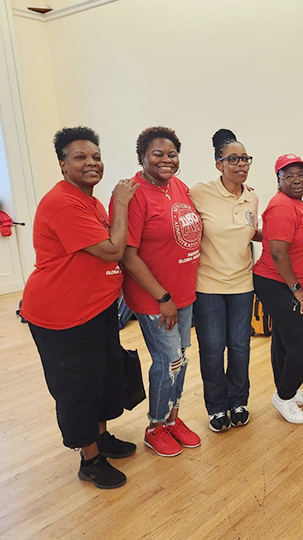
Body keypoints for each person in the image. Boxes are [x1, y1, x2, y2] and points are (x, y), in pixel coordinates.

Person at [22, 126, 138, 488]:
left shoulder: (88, 201)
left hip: (96, 308)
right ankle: (89, 459)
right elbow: (112, 250)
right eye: (80, 157)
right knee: (76, 387)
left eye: (96, 157)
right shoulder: (63, 203)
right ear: (62, 164)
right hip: (61, 314)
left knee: (104, 377)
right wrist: (121, 204)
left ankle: (100, 438)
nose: (91, 163)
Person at [118, 126, 203, 457]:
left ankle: (172, 419)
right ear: (142, 156)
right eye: (158, 154)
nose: (167, 160)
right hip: (155, 298)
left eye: (172, 154)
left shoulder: (178, 186)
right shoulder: (134, 194)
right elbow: (128, 255)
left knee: (181, 359)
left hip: (184, 294)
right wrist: (163, 298)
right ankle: (155, 426)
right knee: (169, 360)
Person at [190, 129, 260, 432]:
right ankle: (216, 406)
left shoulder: (252, 196)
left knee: (240, 347)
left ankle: (238, 401)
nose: (241, 164)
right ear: (219, 164)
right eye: (233, 159)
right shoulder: (199, 193)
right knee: (212, 349)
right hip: (208, 286)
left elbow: (250, 233)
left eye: (245, 158)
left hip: (243, 284)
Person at [253, 154, 303, 424]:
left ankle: (288, 390)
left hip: (291, 282)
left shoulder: (300, 205)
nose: (296, 179)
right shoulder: (282, 205)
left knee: (284, 338)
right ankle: (284, 396)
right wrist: (296, 288)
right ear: (278, 180)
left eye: (300, 175)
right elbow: (278, 253)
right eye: (289, 175)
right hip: (277, 283)